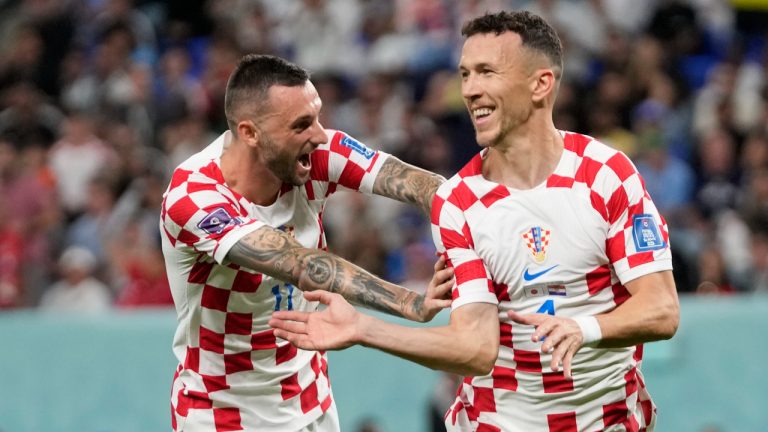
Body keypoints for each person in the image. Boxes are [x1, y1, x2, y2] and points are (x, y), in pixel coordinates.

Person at [270, 11, 680, 432]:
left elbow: (662, 309)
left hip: (610, 422)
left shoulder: (606, 175)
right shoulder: (459, 202)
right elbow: (475, 346)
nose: (469, 90)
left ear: (541, 84)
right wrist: (362, 327)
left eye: (486, 72)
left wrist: (585, 328)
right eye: (465, 74)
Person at [159, 54, 453, 432]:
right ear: (250, 133)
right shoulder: (195, 196)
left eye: (317, 117)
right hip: (222, 413)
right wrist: (409, 302)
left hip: (312, 403)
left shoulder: (310, 153)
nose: (319, 134)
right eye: (301, 125)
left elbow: (425, 186)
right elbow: (302, 265)